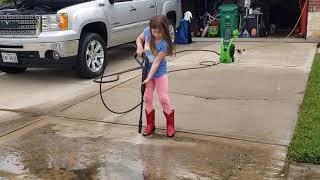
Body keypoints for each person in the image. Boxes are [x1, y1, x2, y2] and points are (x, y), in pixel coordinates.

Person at [136, 15, 175, 137]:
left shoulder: (165, 43)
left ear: (164, 30)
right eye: (154, 31)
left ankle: (170, 125)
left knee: (163, 98)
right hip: (147, 71)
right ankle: (150, 124)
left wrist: (148, 78)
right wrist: (140, 47)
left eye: (159, 32)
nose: (156, 34)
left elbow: (156, 63)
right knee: (147, 97)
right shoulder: (147, 32)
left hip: (159, 73)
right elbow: (138, 39)